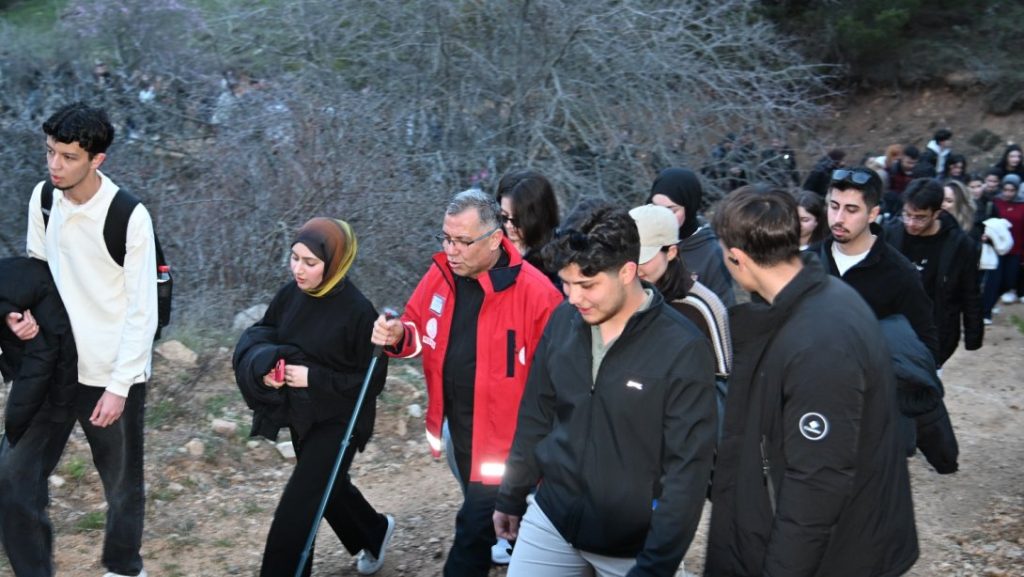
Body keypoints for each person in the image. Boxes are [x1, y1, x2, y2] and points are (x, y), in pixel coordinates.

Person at [493, 201, 717, 577]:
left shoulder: (682, 348)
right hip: (555, 518)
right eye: (566, 283)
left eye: (587, 284)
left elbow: (687, 475)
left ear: (628, 271)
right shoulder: (563, 322)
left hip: (634, 542)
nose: (573, 297)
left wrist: (655, 566)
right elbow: (537, 414)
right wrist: (511, 496)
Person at [705, 186, 918, 577]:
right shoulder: (819, 297)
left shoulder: (820, 342)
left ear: (736, 258)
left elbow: (817, 484)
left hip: (839, 554)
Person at [370, 189, 562, 577]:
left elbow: (560, 382)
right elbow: (416, 331)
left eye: (462, 241)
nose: (451, 249)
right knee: (508, 527)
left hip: (510, 450)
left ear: (495, 240)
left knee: (470, 538)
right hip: (460, 435)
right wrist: (397, 336)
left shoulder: (538, 294)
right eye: (446, 238)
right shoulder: (440, 276)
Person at [2, 102, 157, 577]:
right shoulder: (43, 199)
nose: (55, 165)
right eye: (50, 152)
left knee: (120, 484)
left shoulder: (129, 216)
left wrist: (119, 385)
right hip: (49, 367)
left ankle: (123, 567)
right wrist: (20, 319)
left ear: (97, 160)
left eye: (68, 157)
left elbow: (142, 311)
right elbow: (34, 273)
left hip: (106, 372)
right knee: (10, 478)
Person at [233, 218, 393, 576]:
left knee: (298, 507)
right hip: (305, 415)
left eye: (310, 263)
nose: (298, 270)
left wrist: (312, 377)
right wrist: (269, 367)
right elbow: (264, 334)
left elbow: (370, 381)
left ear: (334, 263)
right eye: (294, 258)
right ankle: (375, 531)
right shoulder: (291, 295)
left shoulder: (358, 311)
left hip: (342, 420)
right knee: (327, 489)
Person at [0, 257, 80, 577]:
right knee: (17, 482)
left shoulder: (22, 276)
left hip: (58, 384)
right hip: (40, 383)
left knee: (12, 481)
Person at [885, 178, 983, 368]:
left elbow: (970, 291)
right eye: (907, 214)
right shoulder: (891, 234)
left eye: (920, 217)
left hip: (936, 331)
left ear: (937, 213)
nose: (911, 223)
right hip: (893, 328)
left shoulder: (959, 245)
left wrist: (974, 335)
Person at [646, 167, 736, 306]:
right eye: (656, 207)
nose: (661, 217)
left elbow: (725, 310)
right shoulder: (642, 240)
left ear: (689, 208)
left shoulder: (712, 254)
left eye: (672, 210)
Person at [495, 169, 561, 285]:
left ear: (538, 217)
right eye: (504, 217)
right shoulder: (492, 244)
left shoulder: (557, 256)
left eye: (518, 220)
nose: (509, 226)